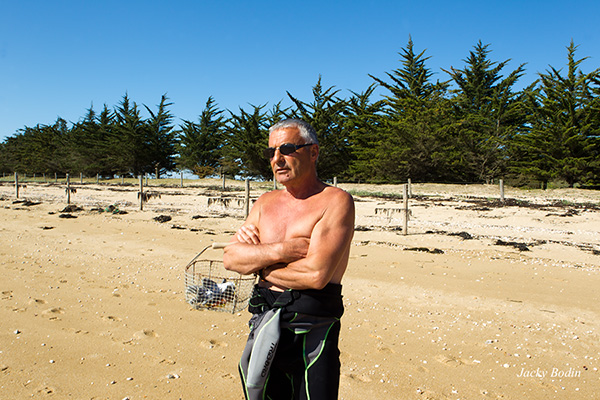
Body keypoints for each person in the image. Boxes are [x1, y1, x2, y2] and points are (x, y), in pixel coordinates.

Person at [223, 118, 355, 400]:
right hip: (264, 323)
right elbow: (231, 257)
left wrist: (258, 264)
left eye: (287, 148)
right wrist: (282, 251)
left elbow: (315, 276)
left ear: (313, 152)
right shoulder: (265, 202)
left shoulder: (335, 201)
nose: (277, 159)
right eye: (272, 152)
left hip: (314, 332)